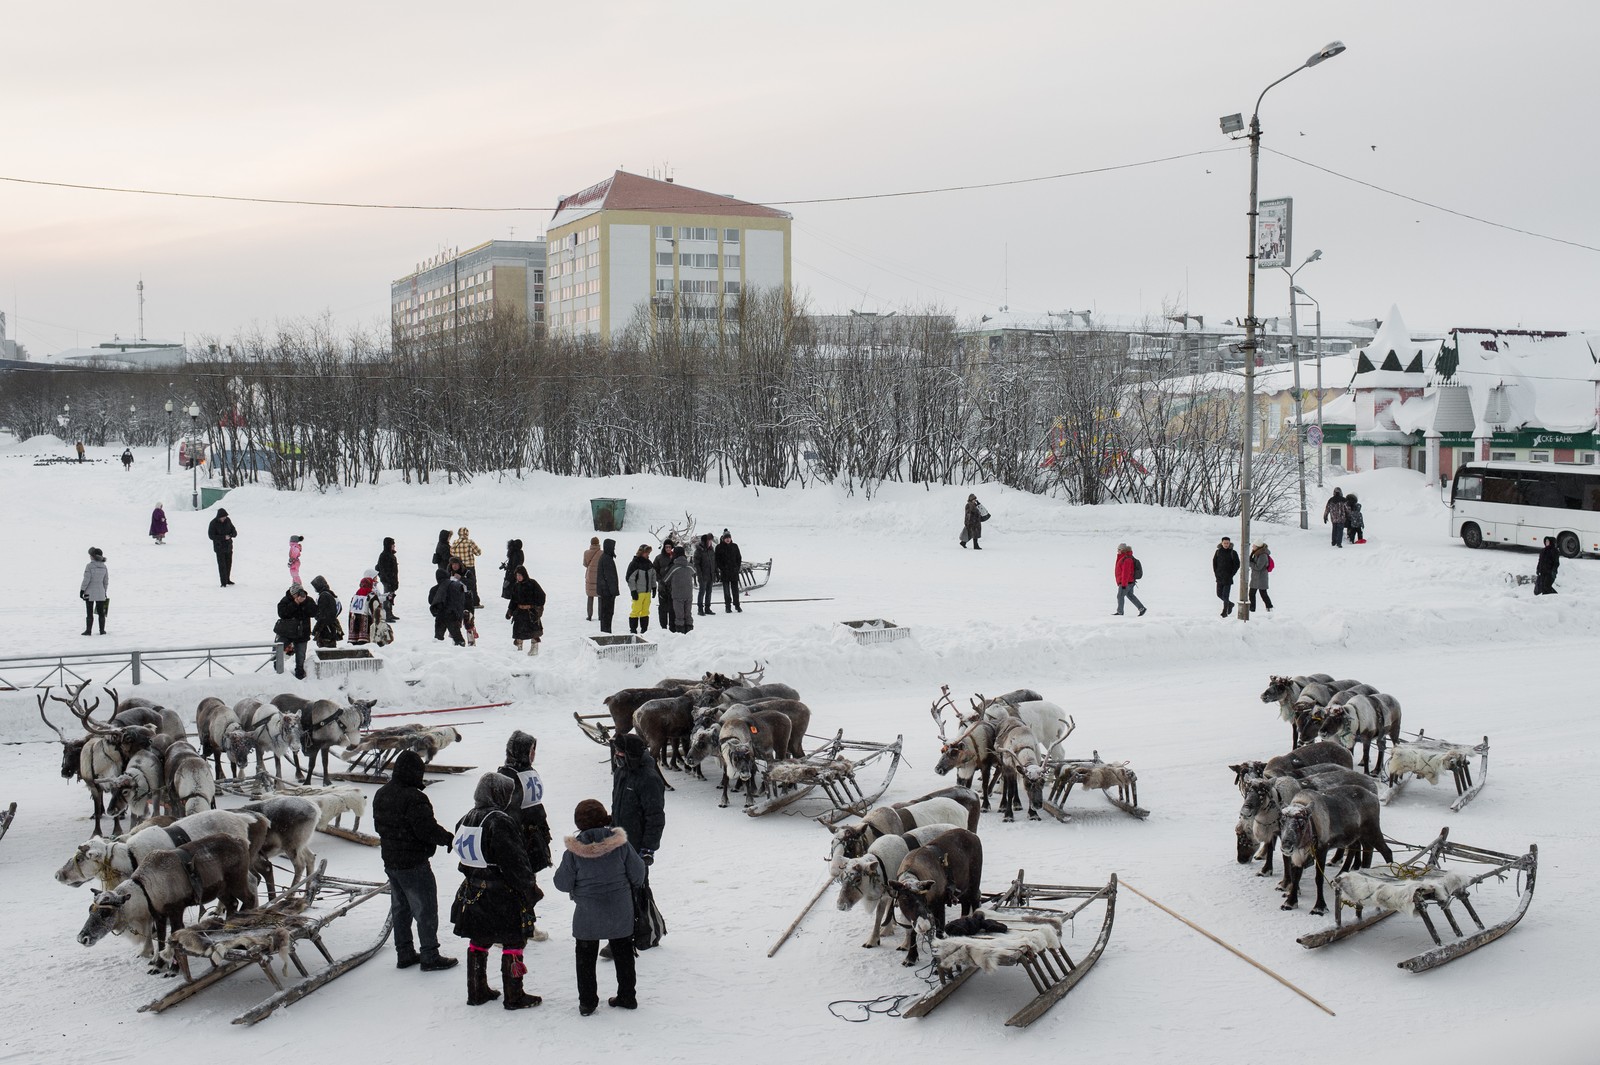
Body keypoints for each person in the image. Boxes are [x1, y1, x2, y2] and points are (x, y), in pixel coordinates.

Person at [450, 773, 542, 1010]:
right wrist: (528, 884)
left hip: (473, 892)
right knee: (513, 941)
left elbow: (463, 859)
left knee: (479, 939)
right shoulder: (499, 821)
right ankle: (514, 995)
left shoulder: (466, 818)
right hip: (501, 894)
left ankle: (477, 990)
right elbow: (514, 860)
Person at [552, 799, 647, 1015]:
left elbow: (561, 883)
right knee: (623, 954)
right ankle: (627, 996)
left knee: (585, 958)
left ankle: (587, 1002)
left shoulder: (573, 853)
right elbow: (638, 873)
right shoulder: (621, 845)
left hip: (587, 915)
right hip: (620, 911)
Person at [373, 749, 459, 973]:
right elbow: (426, 830)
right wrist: (448, 839)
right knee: (425, 909)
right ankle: (430, 955)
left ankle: (405, 953)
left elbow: (379, 827)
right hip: (413, 864)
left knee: (401, 908)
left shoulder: (381, 794)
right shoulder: (414, 798)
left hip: (391, 862)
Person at [608, 734, 666, 956]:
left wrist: (648, 849)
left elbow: (655, 816)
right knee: (622, 891)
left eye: (620, 753)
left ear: (630, 755)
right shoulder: (622, 772)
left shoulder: (649, 778)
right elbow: (618, 805)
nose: (616, 756)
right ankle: (632, 933)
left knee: (636, 890)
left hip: (638, 847)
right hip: (618, 843)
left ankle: (639, 933)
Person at [496, 731, 553, 943]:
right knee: (513, 885)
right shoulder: (506, 776)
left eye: (534, 749)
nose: (533, 754)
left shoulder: (526, 771)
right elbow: (505, 811)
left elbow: (534, 804)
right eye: (530, 750)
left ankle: (527, 924)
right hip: (515, 838)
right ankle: (509, 928)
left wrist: (542, 829)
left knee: (528, 884)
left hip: (531, 836)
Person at [274, 583, 317, 679]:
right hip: (287, 632)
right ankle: (277, 672)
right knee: (278, 651)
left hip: (302, 633)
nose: (296, 596)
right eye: (294, 595)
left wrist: (304, 603)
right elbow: (282, 614)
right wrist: (295, 603)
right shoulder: (285, 600)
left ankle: (300, 675)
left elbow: (314, 612)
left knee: (301, 657)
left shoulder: (308, 600)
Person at [508, 566, 546, 655]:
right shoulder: (516, 586)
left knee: (534, 631)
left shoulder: (532, 583)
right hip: (520, 612)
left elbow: (541, 595)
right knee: (518, 631)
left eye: (520, 575)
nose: (518, 577)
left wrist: (536, 607)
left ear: (524, 575)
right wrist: (510, 611)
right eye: (517, 575)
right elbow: (513, 600)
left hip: (530, 612)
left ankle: (534, 649)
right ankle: (519, 648)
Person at [431, 567, 468, 646]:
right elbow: (461, 601)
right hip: (452, 615)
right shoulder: (456, 586)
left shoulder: (434, 589)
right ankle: (462, 654)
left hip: (440, 615)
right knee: (458, 638)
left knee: (438, 638)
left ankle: (437, 653)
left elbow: (431, 601)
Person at [625, 544, 656, 635]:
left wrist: (654, 587)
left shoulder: (649, 563)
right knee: (635, 610)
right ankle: (633, 629)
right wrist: (633, 590)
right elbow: (630, 578)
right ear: (641, 552)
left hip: (647, 592)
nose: (648, 554)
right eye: (646, 552)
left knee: (645, 611)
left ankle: (644, 629)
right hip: (638, 592)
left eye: (648, 553)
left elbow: (653, 576)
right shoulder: (635, 563)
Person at [451, 527, 484, 609]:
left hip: (458, 567)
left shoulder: (455, 542)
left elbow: (451, 552)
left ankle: (460, 600)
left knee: (458, 584)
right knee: (472, 584)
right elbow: (478, 552)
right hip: (469, 566)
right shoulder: (470, 542)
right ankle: (475, 602)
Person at [80, 547, 109, 636]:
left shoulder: (89, 566)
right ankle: (102, 630)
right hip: (101, 592)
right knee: (101, 613)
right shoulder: (104, 566)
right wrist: (104, 591)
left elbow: (86, 579)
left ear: (93, 556)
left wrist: (82, 590)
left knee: (89, 612)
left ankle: (88, 631)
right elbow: (106, 581)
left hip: (89, 592)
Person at [665, 548, 695, 633]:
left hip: (677, 595)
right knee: (688, 615)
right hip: (689, 594)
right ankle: (689, 631)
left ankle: (680, 632)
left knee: (679, 616)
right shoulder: (689, 566)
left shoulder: (674, 568)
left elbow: (666, 579)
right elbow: (694, 572)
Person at [348, 571, 381, 645]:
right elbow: (376, 607)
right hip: (366, 619)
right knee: (364, 642)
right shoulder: (371, 594)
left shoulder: (356, 594)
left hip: (354, 620)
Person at [1113, 543, 1146, 617]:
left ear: (1122, 550)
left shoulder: (1127, 559)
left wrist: (1123, 584)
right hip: (1129, 582)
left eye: (1119, 549)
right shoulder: (1123, 558)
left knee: (1120, 596)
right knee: (1130, 595)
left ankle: (1120, 612)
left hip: (1126, 582)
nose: (1117, 551)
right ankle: (1142, 608)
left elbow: (1126, 573)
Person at [310, 575, 343, 648]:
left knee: (326, 649)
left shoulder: (324, 596)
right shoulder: (330, 593)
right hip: (331, 626)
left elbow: (323, 614)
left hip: (326, 627)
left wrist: (317, 628)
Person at [715, 529, 743, 613]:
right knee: (726, 591)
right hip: (725, 572)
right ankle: (728, 606)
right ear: (723, 538)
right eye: (726, 538)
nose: (728, 539)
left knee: (735, 590)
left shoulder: (735, 546)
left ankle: (737, 605)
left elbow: (739, 558)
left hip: (734, 572)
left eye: (729, 538)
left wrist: (737, 568)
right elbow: (717, 560)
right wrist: (722, 568)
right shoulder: (719, 547)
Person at [208, 507, 238, 586]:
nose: (224, 519)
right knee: (222, 566)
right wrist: (223, 537)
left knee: (228, 564)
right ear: (219, 517)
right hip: (219, 548)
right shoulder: (213, 523)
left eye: (225, 517)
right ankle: (223, 582)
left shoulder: (228, 520)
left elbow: (234, 530)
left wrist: (232, 535)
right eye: (223, 517)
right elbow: (211, 536)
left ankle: (228, 580)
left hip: (228, 547)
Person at [595, 539, 619, 634]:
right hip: (607, 593)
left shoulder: (605, 557)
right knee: (607, 615)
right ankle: (606, 634)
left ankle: (605, 632)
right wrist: (614, 592)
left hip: (605, 592)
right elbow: (610, 578)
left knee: (606, 615)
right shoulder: (607, 559)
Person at [1212, 536, 1240, 617]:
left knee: (1225, 595)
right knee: (1219, 594)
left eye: (1227, 543)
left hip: (1228, 578)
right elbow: (1214, 563)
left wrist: (1231, 574)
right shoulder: (1218, 552)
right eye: (1224, 543)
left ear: (1229, 543)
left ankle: (1225, 611)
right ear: (1222, 543)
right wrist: (1216, 573)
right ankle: (1230, 604)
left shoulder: (1233, 553)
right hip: (1219, 577)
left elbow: (1237, 564)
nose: (1226, 544)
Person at [652, 541, 675, 632]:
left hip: (673, 586)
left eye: (669, 547)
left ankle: (672, 626)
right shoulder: (659, 558)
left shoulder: (675, 557)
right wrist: (660, 580)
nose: (668, 549)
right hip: (662, 586)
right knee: (663, 608)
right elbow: (654, 570)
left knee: (672, 608)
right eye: (666, 547)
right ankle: (663, 627)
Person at [693, 533, 717, 617]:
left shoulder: (711, 550)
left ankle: (707, 608)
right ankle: (700, 609)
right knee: (702, 592)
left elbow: (714, 562)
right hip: (703, 575)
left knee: (709, 592)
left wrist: (715, 572)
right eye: (709, 540)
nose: (710, 542)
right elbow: (696, 564)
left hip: (710, 574)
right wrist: (699, 575)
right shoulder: (699, 551)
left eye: (711, 540)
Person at [376, 536, 400, 621]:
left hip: (392, 580)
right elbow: (378, 568)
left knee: (391, 596)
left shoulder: (390, 555)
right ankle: (387, 615)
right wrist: (385, 578)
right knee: (387, 597)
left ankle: (390, 613)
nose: (394, 545)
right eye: (393, 544)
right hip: (388, 581)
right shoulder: (384, 555)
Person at [1247, 542, 1274, 613]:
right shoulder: (1256, 553)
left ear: (1258, 546)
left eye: (1254, 545)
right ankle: (1252, 609)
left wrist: (1249, 563)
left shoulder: (1263, 555)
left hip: (1261, 578)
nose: (1252, 546)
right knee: (1252, 594)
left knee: (1263, 593)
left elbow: (1258, 567)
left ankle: (1269, 607)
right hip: (1256, 577)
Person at [583, 537, 602, 621]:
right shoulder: (602, 553)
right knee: (600, 596)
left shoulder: (586, 553)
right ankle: (600, 616)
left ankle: (589, 615)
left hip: (590, 576)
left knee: (590, 596)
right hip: (599, 577)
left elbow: (585, 564)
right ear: (598, 543)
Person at [500, 539, 525, 604]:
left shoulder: (515, 554)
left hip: (512, 577)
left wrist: (508, 579)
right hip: (514, 576)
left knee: (513, 595)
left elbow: (514, 568)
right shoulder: (518, 553)